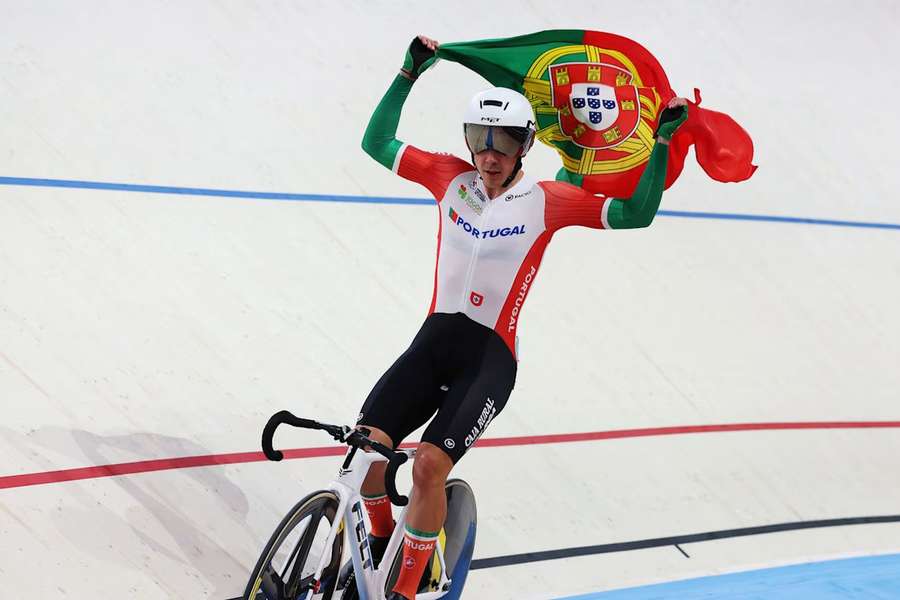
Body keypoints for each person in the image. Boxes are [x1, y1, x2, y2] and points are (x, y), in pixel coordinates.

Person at [356, 35, 688, 600]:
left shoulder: (548, 199)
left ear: (524, 145)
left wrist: (658, 143)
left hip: (488, 359)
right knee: (366, 457)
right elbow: (376, 141)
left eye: (503, 140)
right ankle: (384, 547)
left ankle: (406, 591)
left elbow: (635, 215)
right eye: (479, 138)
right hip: (433, 342)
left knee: (428, 467)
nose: (489, 151)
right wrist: (409, 73)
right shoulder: (449, 178)